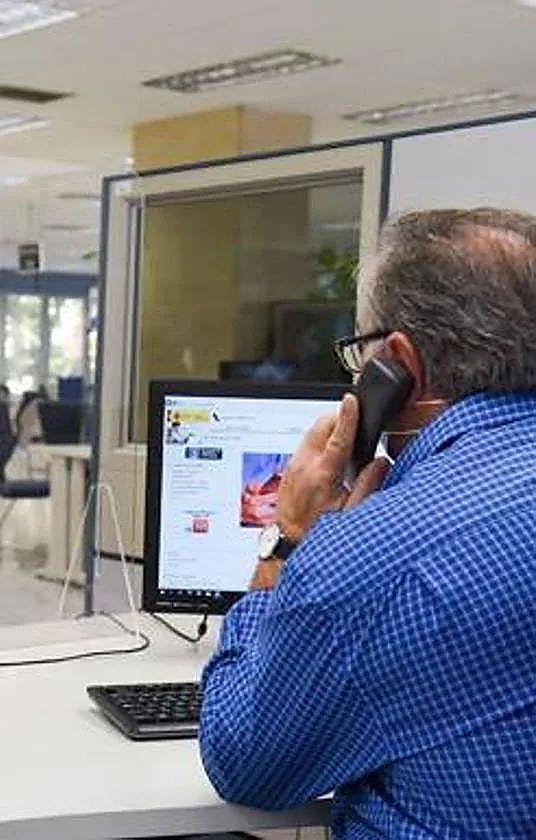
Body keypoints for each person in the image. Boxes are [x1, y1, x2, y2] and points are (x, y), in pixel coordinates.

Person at [199, 208, 536, 836]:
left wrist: (287, 540)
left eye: (364, 356)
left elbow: (245, 764)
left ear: (399, 366)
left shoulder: (370, 556)